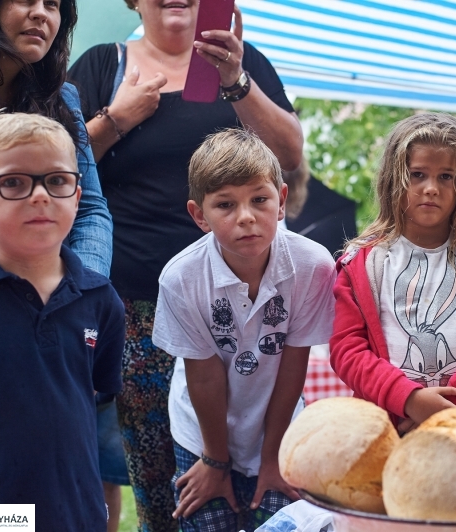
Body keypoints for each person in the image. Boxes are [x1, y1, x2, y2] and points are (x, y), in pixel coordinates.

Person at [67, 1, 303, 528]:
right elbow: (60, 169)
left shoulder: (243, 62)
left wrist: (236, 80)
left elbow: (288, 152)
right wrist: (117, 118)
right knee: (161, 482)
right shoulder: (103, 65)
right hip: (138, 308)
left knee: (251, 466)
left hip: (244, 306)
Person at [151, 129, 335, 532]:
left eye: (259, 199)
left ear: (281, 201)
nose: (246, 217)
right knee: (207, 522)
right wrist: (215, 461)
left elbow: (293, 365)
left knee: (283, 522)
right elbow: (204, 376)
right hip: (201, 431)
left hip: (279, 425)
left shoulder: (313, 266)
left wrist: (273, 459)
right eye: (225, 205)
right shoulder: (181, 279)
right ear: (200, 215)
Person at [0, 112, 125, 531]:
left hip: (76, 512)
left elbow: (86, 395)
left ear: (77, 195)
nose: (40, 196)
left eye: (56, 181)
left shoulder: (101, 299)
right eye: (13, 182)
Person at [329, 112, 456, 435]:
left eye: (446, 177)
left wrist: (451, 401)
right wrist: (409, 398)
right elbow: (347, 351)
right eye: (417, 174)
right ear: (392, 179)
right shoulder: (360, 264)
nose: (431, 188)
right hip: (389, 431)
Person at [0, 0, 112, 276]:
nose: (40, 14)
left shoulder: (63, 98)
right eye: (25, 0)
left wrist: (83, 290)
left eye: (52, 5)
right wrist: (12, 273)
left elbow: (89, 209)